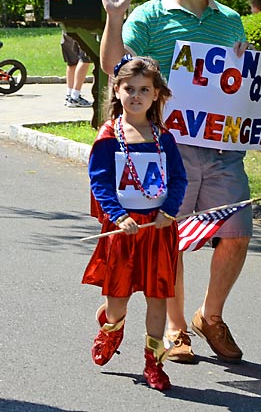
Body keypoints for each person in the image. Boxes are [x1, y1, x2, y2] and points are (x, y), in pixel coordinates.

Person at [96, 0, 252, 364]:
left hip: (221, 147)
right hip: (167, 149)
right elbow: (112, 69)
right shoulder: (147, 17)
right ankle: (177, 330)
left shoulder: (230, 21)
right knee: (172, 236)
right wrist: (114, 16)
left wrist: (246, 73)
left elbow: (240, 90)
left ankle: (211, 315)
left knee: (239, 231)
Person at [83, 55, 187, 391]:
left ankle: (153, 363)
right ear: (117, 90)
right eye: (130, 88)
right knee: (119, 297)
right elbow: (99, 182)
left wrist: (168, 211)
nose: (136, 95)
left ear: (157, 94)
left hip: (158, 229)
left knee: (158, 297)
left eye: (144, 89)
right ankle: (111, 326)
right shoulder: (110, 134)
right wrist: (119, 216)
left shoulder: (164, 137)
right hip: (123, 230)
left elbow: (178, 179)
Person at [52, 0, 95, 108]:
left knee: (71, 60)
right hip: (86, 20)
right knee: (85, 58)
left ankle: (69, 94)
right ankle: (75, 95)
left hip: (66, 20)